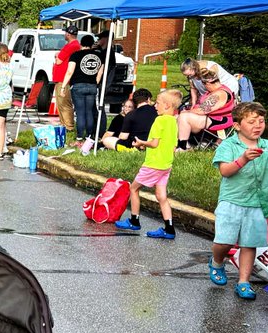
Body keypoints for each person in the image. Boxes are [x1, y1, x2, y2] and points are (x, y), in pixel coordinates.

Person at [208, 102, 268, 301]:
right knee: (224, 241)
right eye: (251, 122)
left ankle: (243, 282)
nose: (258, 125)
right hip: (232, 200)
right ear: (237, 125)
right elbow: (225, 171)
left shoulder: (266, 145)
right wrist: (243, 159)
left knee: (249, 244)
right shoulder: (229, 145)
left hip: (257, 202)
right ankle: (217, 261)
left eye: (261, 121)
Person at [115, 89, 183, 240]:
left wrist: (140, 142)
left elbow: (154, 143)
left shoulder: (159, 121)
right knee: (161, 196)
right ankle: (169, 228)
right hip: (166, 164)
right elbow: (173, 145)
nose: (154, 105)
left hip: (153, 164)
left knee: (133, 188)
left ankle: (134, 220)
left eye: (157, 103)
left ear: (166, 105)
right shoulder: (174, 121)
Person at [177, 67, 234, 148]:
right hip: (210, 118)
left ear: (208, 83)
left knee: (184, 116)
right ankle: (176, 143)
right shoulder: (213, 91)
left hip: (219, 121)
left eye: (204, 85)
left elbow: (202, 110)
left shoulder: (220, 93)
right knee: (176, 117)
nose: (204, 87)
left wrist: (187, 111)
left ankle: (183, 147)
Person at [62, 34, 100, 145]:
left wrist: (63, 86)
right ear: (92, 44)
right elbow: (100, 72)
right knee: (89, 111)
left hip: (78, 85)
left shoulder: (76, 55)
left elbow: (70, 72)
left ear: (81, 43)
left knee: (80, 112)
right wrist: (95, 83)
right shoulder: (98, 56)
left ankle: (79, 137)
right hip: (92, 86)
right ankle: (89, 136)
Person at [52, 28, 81, 131]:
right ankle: (64, 125)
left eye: (65, 33)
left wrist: (56, 56)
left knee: (64, 104)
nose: (64, 34)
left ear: (68, 34)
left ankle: (68, 127)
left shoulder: (70, 46)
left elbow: (59, 61)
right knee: (62, 104)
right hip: (62, 79)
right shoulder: (74, 45)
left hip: (63, 79)